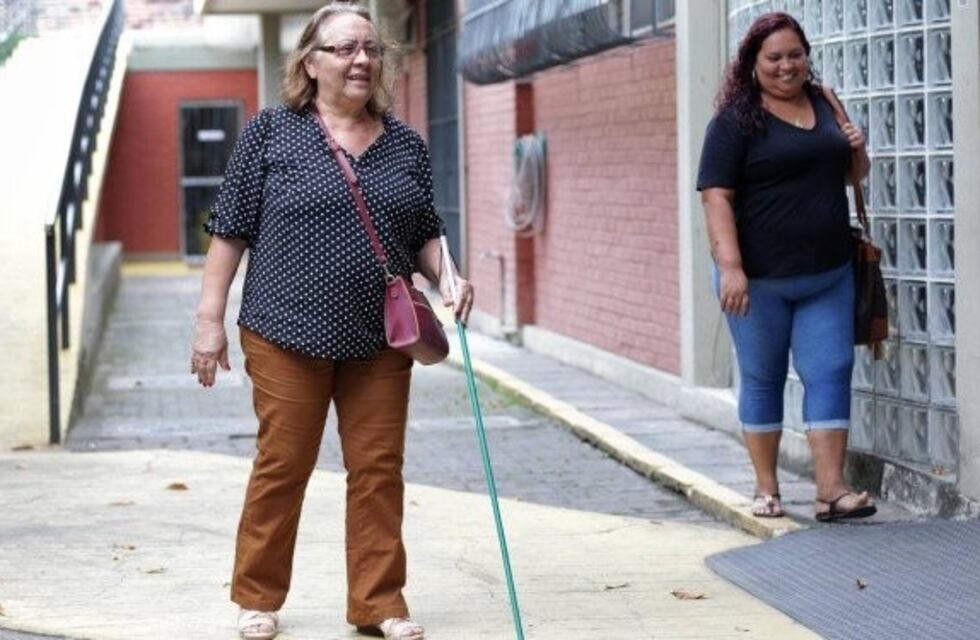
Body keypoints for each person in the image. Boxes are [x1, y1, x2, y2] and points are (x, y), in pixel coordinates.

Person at [190, 4, 474, 639]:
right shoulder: (271, 133)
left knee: (378, 469)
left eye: (371, 48)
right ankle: (257, 597)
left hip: (380, 338)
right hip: (284, 330)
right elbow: (229, 234)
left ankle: (378, 603)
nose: (362, 60)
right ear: (310, 62)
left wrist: (448, 276)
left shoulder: (405, 144)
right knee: (284, 463)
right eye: (345, 49)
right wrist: (209, 322)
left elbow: (424, 234)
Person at [697, 12, 876, 524]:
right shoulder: (735, 121)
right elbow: (715, 196)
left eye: (794, 54)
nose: (786, 66)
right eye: (773, 57)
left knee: (831, 371)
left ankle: (832, 490)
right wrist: (730, 267)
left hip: (827, 273)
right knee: (763, 378)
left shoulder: (824, 102)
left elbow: (848, 174)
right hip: (758, 282)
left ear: (807, 56)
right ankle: (766, 487)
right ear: (752, 64)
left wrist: (858, 154)